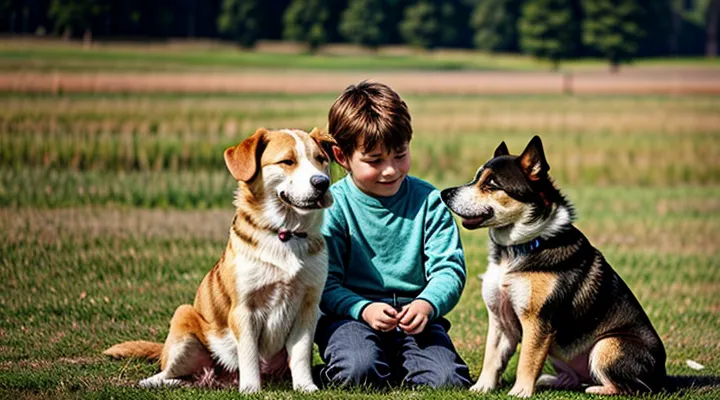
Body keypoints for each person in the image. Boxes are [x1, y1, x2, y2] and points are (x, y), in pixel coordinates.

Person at [315, 81, 471, 389]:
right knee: (358, 371)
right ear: (342, 156)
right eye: (375, 160)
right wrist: (363, 308)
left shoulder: (429, 201)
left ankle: (400, 366)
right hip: (350, 319)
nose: (390, 170)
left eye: (400, 155)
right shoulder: (333, 207)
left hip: (417, 321)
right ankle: (332, 372)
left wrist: (427, 304)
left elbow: (449, 270)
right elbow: (323, 282)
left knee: (448, 381)